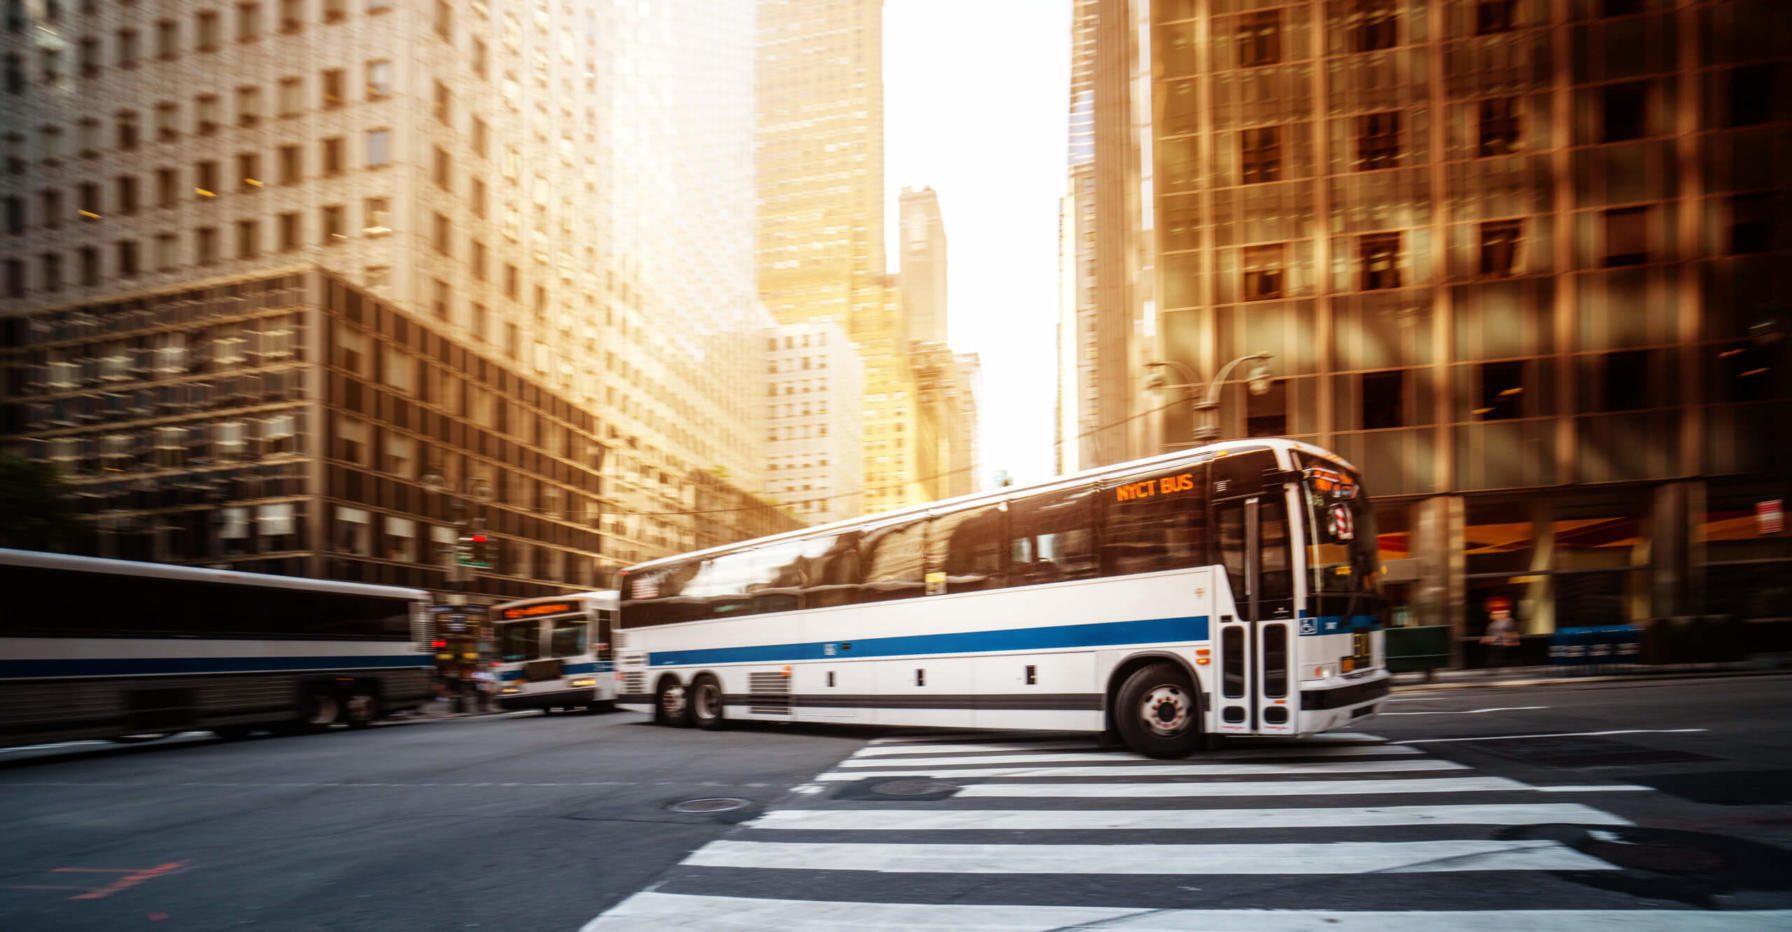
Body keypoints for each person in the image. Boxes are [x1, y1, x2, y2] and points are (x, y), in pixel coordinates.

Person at [1480, 596, 1520, 668]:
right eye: (1493, 613)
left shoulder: (1509, 621)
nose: (1493, 615)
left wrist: (1501, 638)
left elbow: (1513, 636)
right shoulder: (1491, 625)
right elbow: (1489, 637)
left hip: (1505, 649)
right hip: (1495, 648)